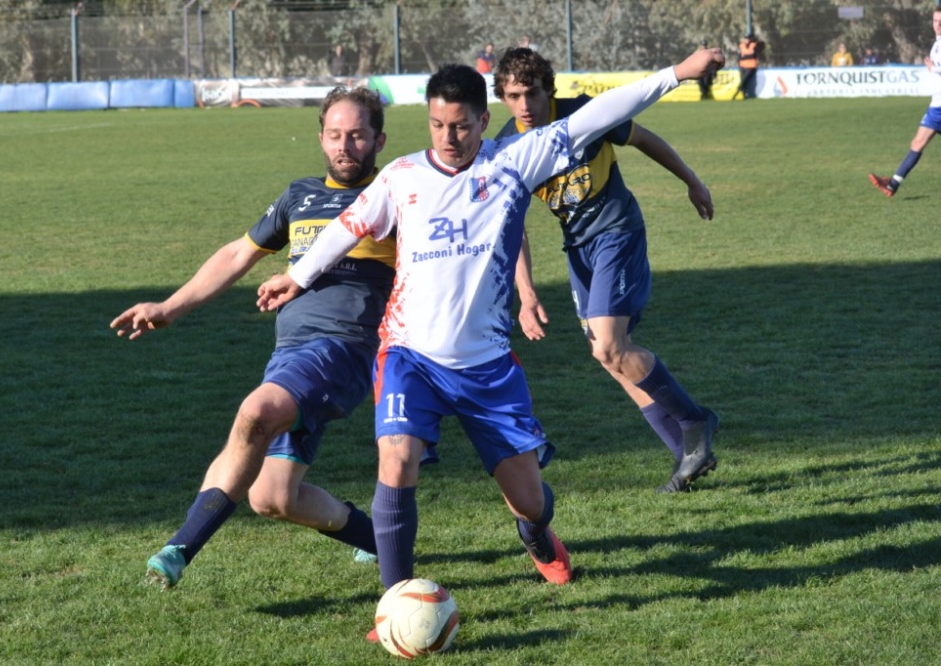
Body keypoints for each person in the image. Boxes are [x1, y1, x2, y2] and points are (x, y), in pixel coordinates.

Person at [256, 48, 725, 639]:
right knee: (396, 461)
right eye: (437, 125)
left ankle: (534, 531)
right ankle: (395, 605)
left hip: (486, 367)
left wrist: (675, 74)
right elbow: (348, 227)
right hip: (409, 356)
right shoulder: (401, 177)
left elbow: (604, 112)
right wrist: (295, 277)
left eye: (460, 125)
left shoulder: (516, 160)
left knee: (529, 500)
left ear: (483, 121)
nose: (448, 138)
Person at [110, 87, 394, 588]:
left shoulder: (393, 197)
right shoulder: (300, 195)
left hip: (343, 349)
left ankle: (181, 548)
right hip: (290, 353)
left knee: (254, 413)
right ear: (321, 137)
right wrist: (169, 307)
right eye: (334, 135)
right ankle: (381, 541)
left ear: (378, 140)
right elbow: (238, 255)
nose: (344, 146)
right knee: (273, 497)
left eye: (356, 135)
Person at [493, 47, 720, 493]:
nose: (524, 105)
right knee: (609, 357)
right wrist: (527, 293)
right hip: (577, 249)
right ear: (501, 97)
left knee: (612, 347)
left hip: (617, 232)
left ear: (548, 91)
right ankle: (685, 453)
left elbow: (644, 139)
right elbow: (512, 226)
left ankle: (696, 421)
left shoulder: (583, 114)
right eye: (513, 95)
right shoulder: (508, 148)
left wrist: (692, 181)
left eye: (532, 94)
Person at [870, 7, 941, 197]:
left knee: (918, 142)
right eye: (935, 21)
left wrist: (934, 69)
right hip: (937, 104)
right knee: (917, 143)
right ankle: (892, 184)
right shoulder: (937, 44)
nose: (938, 25)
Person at [735, 32, 763, 99]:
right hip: (742, 66)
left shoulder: (754, 45)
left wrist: (745, 56)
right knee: (744, 80)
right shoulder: (741, 45)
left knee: (744, 80)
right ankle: (743, 95)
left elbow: (755, 55)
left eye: (748, 38)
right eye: (745, 38)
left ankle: (738, 90)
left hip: (751, 67)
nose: (746, 40)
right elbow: (739, 56)